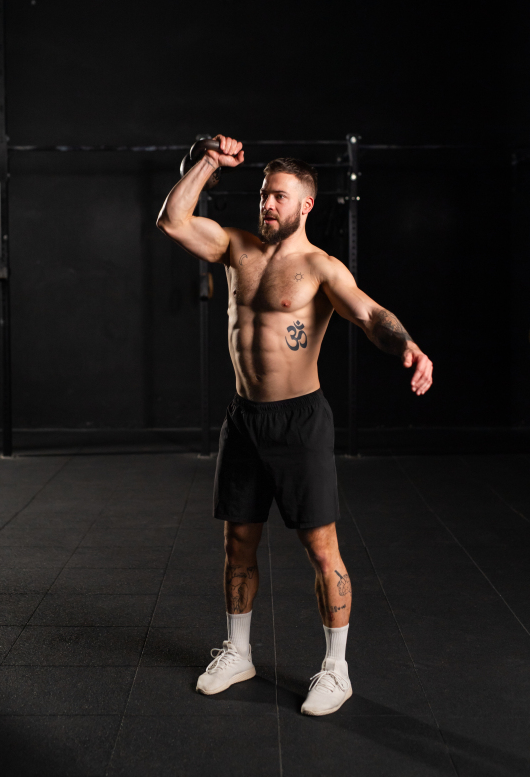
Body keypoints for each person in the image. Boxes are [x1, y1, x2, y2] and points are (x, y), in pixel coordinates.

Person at [156, 135, 433, 716]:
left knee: (320, 548)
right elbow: (172, 220)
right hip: (245, 418)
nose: (267, 205)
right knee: (238, 542)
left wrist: (406, 344)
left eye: (278, 197)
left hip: (300, 421)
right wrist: (208, 160)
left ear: (306, 205)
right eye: (263, 195)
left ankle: (336, 669)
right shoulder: (236, 248)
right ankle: (238, 652)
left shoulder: (320, 268)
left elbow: (369, 313)